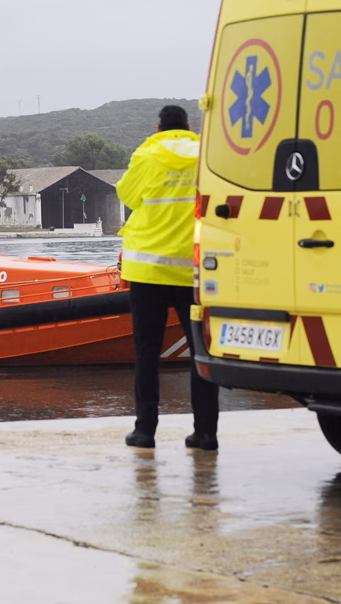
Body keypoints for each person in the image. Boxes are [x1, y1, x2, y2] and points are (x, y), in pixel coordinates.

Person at [117, 104, 219, 451]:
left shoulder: (146, 154)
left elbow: (126, 195)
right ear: (188, 126)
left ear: (159, 128)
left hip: (148, 271)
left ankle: (145, 431)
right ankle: (206, 434)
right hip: (195, 271)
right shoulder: (207, 155)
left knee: (147, 353)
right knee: (201, 354)